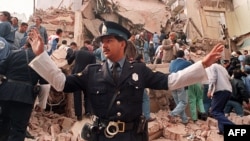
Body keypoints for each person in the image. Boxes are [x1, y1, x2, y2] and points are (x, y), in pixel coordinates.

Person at [28, 21, 223, 141]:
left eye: (109, 41)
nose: (104, 45)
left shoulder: (139, 70)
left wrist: (202, 64)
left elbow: (171, 81)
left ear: (122, 43)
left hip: (132, 136)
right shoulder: (92, 72)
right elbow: (61, 83)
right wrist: (42, 55)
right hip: (101, 136)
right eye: (102, 42)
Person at [0, 37, 46, 141]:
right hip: (24, 97)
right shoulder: (40, 59)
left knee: (3, 123)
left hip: (5, 94)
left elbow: (1, 70)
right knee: (19, 129)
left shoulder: (12, 54)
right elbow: (45, 84)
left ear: (26, 44)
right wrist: (41, 104)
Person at [206, 61, 235, 135]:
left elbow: (212, 78)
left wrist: (210, 90)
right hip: (228, 90)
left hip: (220, 91)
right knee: (219, 111)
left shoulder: (212, 66)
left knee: (214, 111)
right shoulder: (223, 68)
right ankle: (222, 129)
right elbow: (229, 78)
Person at [68, 46, 96, 120]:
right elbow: (93, 66)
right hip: (87, 75)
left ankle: (79, 115)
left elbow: (69, 61)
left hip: (76, 75)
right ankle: (88, 112)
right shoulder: (92, 55)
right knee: (87, 94)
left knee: (77, 95)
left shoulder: (76, 52)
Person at [168, 50, 192, 124]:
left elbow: (169, 70)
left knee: (179, 103)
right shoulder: (186, 63)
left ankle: (184, 119)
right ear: (183, 55)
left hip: (171, 83)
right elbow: (193, 68)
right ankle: (172, 114)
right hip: (180, 83)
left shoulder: (172, 63)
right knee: (183, 102)